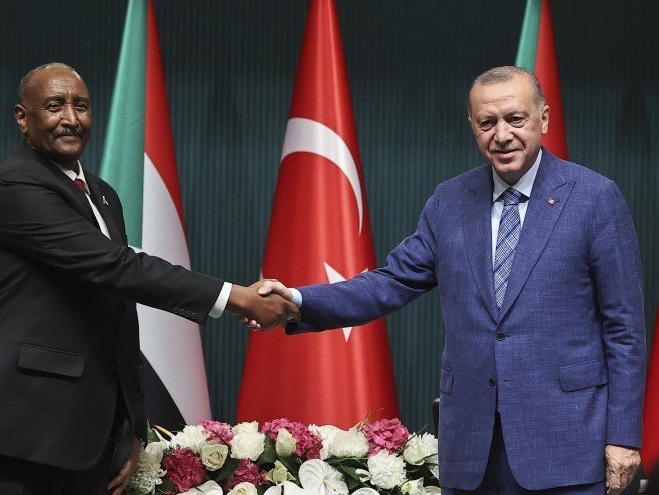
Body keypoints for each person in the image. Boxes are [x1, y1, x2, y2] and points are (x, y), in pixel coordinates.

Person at [258, 66, 646, 494]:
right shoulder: (450, 201)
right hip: (472, 451)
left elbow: (625, 330)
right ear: (472, 126)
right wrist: (297, 300)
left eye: (515, 119)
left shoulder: (595, 198)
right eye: (487, 122)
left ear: (544, 118)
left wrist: (624, 437)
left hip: (566, 447)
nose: (502, 135)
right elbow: (389, 282)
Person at [0, 62, 298, 495]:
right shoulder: (16, 185)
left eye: (81, 106)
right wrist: (235, 297)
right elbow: (116, 266)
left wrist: (130, 429)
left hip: (84, 443)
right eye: (54, 106)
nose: (71, 118)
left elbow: (119, 312)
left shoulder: (103, 195)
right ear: (22, 117)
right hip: (12, 438)